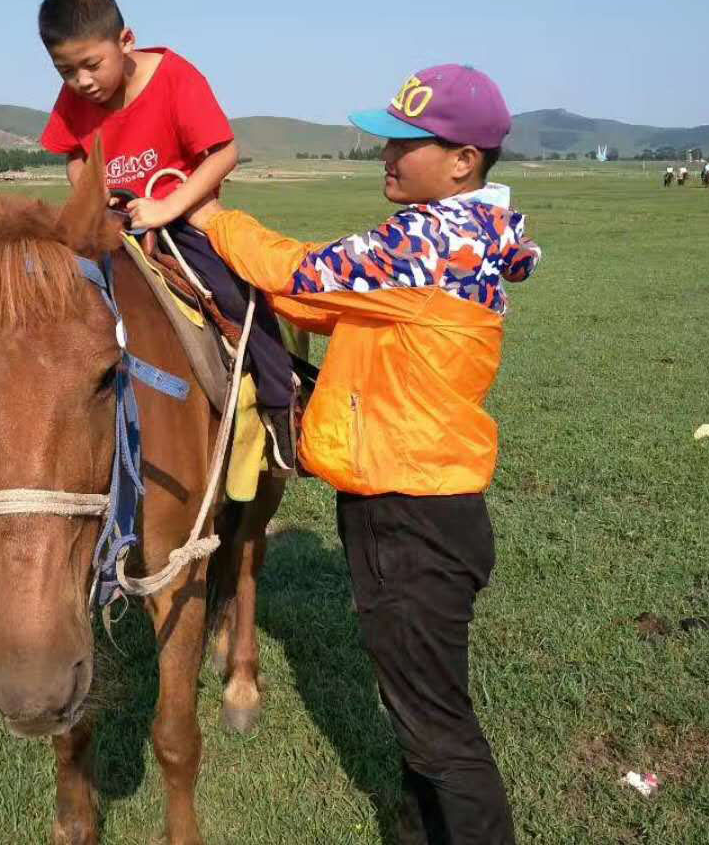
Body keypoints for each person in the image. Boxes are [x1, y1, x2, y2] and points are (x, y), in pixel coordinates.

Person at [185, 64, 536, 844]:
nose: (386, 154)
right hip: (425, 504)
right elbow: (318, 299)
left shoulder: (432, 238)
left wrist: (213, 219)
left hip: (410, 516)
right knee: (422, 719)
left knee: (439, 733)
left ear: (462, 161)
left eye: (405, 142)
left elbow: (297, 272)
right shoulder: (463, 236)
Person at [35, 0, 297, 471]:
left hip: (181, 220)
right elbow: (73, 155)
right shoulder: (74, 97)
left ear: (126, 40)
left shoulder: (175, 76)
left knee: (238, 297)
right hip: (111, 223)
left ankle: (282, 405)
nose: (83, 82)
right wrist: (92, 194)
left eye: (92, 65)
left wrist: (167, 206)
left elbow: (225, 152)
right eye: (66, 71)